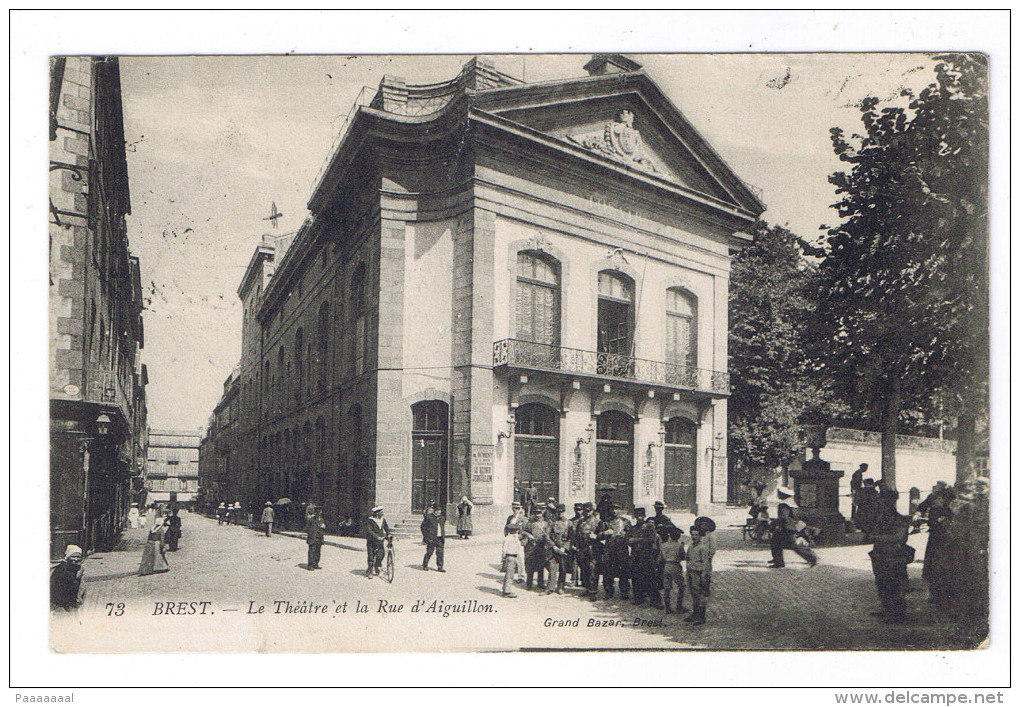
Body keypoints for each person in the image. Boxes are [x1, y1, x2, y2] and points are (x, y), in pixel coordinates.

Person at [869, 487, 914, 624]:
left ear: (889, 501)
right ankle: (887, 609)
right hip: (880, 554)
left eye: (881, 500)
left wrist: (877, 537)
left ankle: (897, 613)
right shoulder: (880, 517)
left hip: (893, 555)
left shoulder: (898, 518)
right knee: (882, 582)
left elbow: (899, 537)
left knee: (893, 583)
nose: (879, 503)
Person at [768, 487, 817, 568]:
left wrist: (773, 523)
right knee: (776, 543)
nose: (778, 495)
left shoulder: (783, 504)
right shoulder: (792, 503)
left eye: (779, 493)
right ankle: (778, 561)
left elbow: (783, 517)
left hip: (786, 528)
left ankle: (812, 557)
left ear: (784, 495)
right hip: (793, 526)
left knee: (792, 545)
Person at [598, 504, 632, 600]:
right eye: (612, 509)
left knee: (624, 571)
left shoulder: (625, 522)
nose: (614, 511)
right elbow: (598, 535)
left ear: (620, 511)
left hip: (622, 550)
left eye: (616, 509)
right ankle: (608, 591)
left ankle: (624, 591)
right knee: (608, 571)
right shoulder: (606, 522)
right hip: (609, 550)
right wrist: (604, 533)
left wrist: (625, 534)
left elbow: (631, 534)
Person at [628, 508, 661, 606]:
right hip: (635, 556)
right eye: (637, 516)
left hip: (647, 556)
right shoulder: (633, 528)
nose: (639, 518)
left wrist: (636, 540)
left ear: (644, 516)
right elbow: (627, 539)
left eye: (641, 516)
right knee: (636, 578)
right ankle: (638, 598)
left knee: (650, 578)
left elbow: (651, 539)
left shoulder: (649, 527)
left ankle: (655, 600)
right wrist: (631, 541)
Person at [685, 525, 712, 625]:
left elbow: (705, 562)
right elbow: (687, 557)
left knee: (700, 594)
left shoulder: (702, 548)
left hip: (699, 573)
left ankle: (701, 616)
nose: (694, 537)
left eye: (696, 535)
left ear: (700, 536)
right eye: (692, 535)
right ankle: (695, 613)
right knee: (693, 593)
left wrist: (704, 575)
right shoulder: (691, 546)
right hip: (691, 571)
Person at [575, 502, 601, 599]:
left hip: (593, 548)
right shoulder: (580, 521)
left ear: (592, 511)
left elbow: (602, 534)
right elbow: (577, 534)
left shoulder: (597, 521)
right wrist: (577, 546)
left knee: (593, 569)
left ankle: (593, 591)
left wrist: (596, 537)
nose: (587, 513)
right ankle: (587, 588)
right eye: (585, 511)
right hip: (583, 548)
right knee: (584, 569)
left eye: (589, 511)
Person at [659, 526, 687, 614]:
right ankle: (679, 606)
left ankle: (668, 607)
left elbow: (661, 558)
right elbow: (683, 557)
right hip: (675, 565)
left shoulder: (663, 545)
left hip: (666, 565)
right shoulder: (678, 545)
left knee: (667, 587)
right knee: (681, 586)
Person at [521, 508, 549, 591]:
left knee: (541, 565)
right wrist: (529, 535)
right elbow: (524, 532)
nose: (537, 515)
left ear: (542, 513)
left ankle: (540, 583)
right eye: (535, 513)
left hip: (541, 546)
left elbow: (547, 534)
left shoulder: (545, 523)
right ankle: (529, 584)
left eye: (539, 513)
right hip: (532, 547)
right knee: (530, 565)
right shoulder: (529, 523)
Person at [545, 504, 571, 594]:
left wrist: (564, 548)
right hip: (554, 549)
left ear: (564, 511)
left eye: (561, 512)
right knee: (552, 568)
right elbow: (547, 536)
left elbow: (571, 538)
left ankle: (561, 587)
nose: (560, 514)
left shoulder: (568, 523)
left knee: (563, 569)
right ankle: (550, 587)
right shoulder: (551, 522)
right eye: (558, 512)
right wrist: (553, 546)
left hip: (563, 549)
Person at [50, 545, 85, 611]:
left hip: (71, 603)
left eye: (78, 557)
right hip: (62, 605)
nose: (76, 559)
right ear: (68, 557)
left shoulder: (75, 567)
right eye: (73, 556)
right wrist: (77, 577)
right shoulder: (63, 568)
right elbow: (66, 586)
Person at [365, 506, 392, 578]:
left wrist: (389, 534)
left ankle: (377, 566)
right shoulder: (370, 520)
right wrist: (377, 537)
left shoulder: (383, 520)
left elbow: (386, 528)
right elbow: (369, 531)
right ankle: (370, 571)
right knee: (371, 556)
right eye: (381, 512)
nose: (382, 514)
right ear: (377, 513)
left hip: (380, 541)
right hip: (372, 541)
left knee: (381, 555)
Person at [421, 503, 446, 572]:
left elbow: (442, 527)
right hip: (431, 538)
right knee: (429, 552)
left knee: (440, 553)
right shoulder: (429, 517)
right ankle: (425, 565)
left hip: (440, 538)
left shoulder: (442, 518)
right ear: (434, 511)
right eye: (437, 510)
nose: (438, 512)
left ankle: (440, 566)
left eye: (439, 510)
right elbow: (423, 527)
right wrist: (426, 537)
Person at [501, 524, 524, 598]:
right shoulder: (508, 538)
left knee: (510, 574)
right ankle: (507, 592)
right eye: (515, 530)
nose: (517, 531)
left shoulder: (515, 538)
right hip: (510, 556)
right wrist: (503, 559)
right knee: (509, 575)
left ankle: (505, 589)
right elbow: (504, 549)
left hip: (514, 556)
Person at [305, 506, 325, 570]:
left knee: (318, 552)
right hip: (313, 538)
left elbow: (323, 528)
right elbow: (306, 528)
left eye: (319, 512)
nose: (318, 513)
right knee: (311, 552)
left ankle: (316, 564)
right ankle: (310, 565)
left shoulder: (322, 520)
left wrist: (324, 527)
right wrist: (311, 534)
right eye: (317, 512)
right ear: (315, 512)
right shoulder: (311, 519)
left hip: (319, 538)